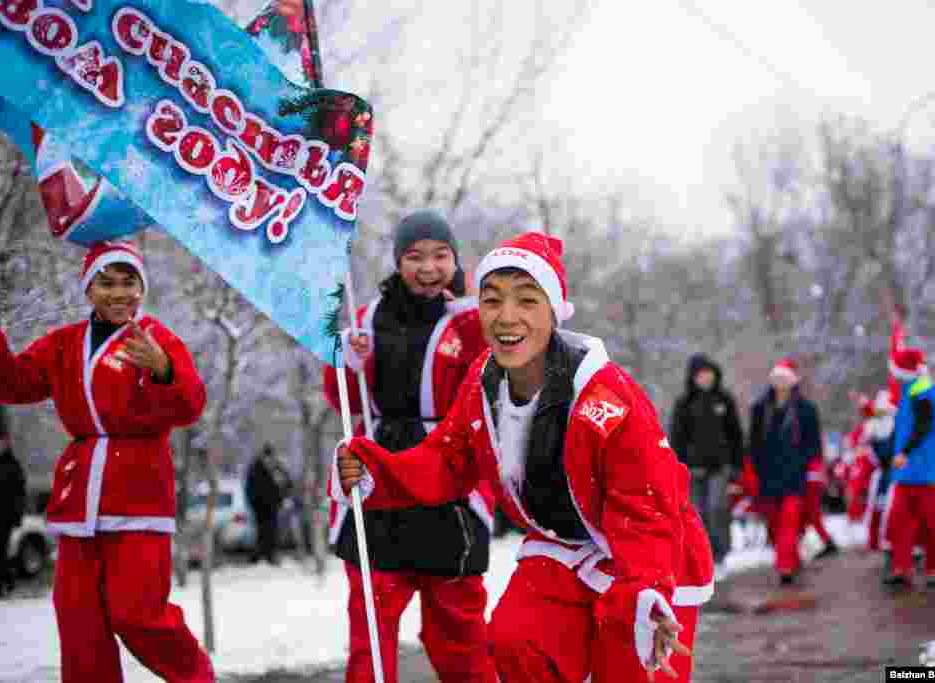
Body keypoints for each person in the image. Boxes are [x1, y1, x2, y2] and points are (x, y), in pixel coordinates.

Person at [334, 231, 713, 683]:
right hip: (563, 546)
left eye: (527, 300)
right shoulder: (483, 382)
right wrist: (378, 471)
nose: (506, 318)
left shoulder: (605, 399)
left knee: (630, 667)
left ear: (555, 310)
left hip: (646, 553)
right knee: (515, 641)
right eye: (492, 301)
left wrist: (644, 589)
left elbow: (649, 506)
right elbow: (447, 459)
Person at [0, 241, 213, 682]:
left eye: (128, 282)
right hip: (79, 502)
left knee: (137, 614)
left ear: (142, 287)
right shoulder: (64, 344)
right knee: (80, 623)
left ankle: (196, 676)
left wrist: (163, 370)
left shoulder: (156, 337)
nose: (118, 294)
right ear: (88, 288)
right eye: (106, 283)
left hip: (139, 498)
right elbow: (15, 383)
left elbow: (191, 404)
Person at [323, 209, 496, 683]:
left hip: (449, 478)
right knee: (372, 623)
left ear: (454, 261)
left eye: (440, 255)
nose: (428, 267)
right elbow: (335, 393)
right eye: (415, 256)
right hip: (379, 475)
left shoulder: (470, 317)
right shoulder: (365, 317)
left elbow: (496, 376)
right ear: (398, 261)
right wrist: (346, 360)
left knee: (458, 626)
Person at [748, 359, 822, 585]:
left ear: (792, 381)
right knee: (774, 523)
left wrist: (810, 468)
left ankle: (785, 566)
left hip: (795, 474)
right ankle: (791, 557)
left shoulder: (806, 409)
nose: (780, 383)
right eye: (777, 379)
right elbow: (752, 443)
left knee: (789, 520)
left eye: (785, 379)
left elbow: (814, 444)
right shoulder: (759, 409)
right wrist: (753, 470)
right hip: (768, 475)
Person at [668, 354, 744, 564]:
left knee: (716, 510)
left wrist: (737, 464)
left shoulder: (725, 400)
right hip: (692, 470)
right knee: (697, 515)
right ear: (693, 377)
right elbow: (677, 438)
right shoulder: (684, 403)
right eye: (701, 374)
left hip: (719, 468)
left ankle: (720, 555)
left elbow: (735, 434)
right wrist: (679, 466)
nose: (705, 378)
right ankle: (702, 558)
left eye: (708, 373)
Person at [883, 347, 935, 588]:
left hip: (926, 468)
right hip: (909, 470)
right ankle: (902, 567)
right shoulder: (909, 389)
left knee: (932, 522)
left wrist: (904, 452)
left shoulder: (922, 389)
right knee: (901, 519)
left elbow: (923, 425)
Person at [245, 443, 291, 565]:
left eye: (271, 457)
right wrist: (253, 503)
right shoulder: (255, 468)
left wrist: (283, 496)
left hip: (273, 506)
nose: (269, 460)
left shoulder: (277, 467)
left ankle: (269, 556)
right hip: (260, 506)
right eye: (267, 457)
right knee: (263, 532)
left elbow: (287, 483)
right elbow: (251, 488)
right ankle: (261, 557)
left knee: (272, 532)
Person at [0, 408, 27, 596]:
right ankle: (6, 581)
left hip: (5, 516)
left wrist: (16, 515)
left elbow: (19, 493)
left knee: (2, 551)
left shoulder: (12, 466)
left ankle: (6, 582)